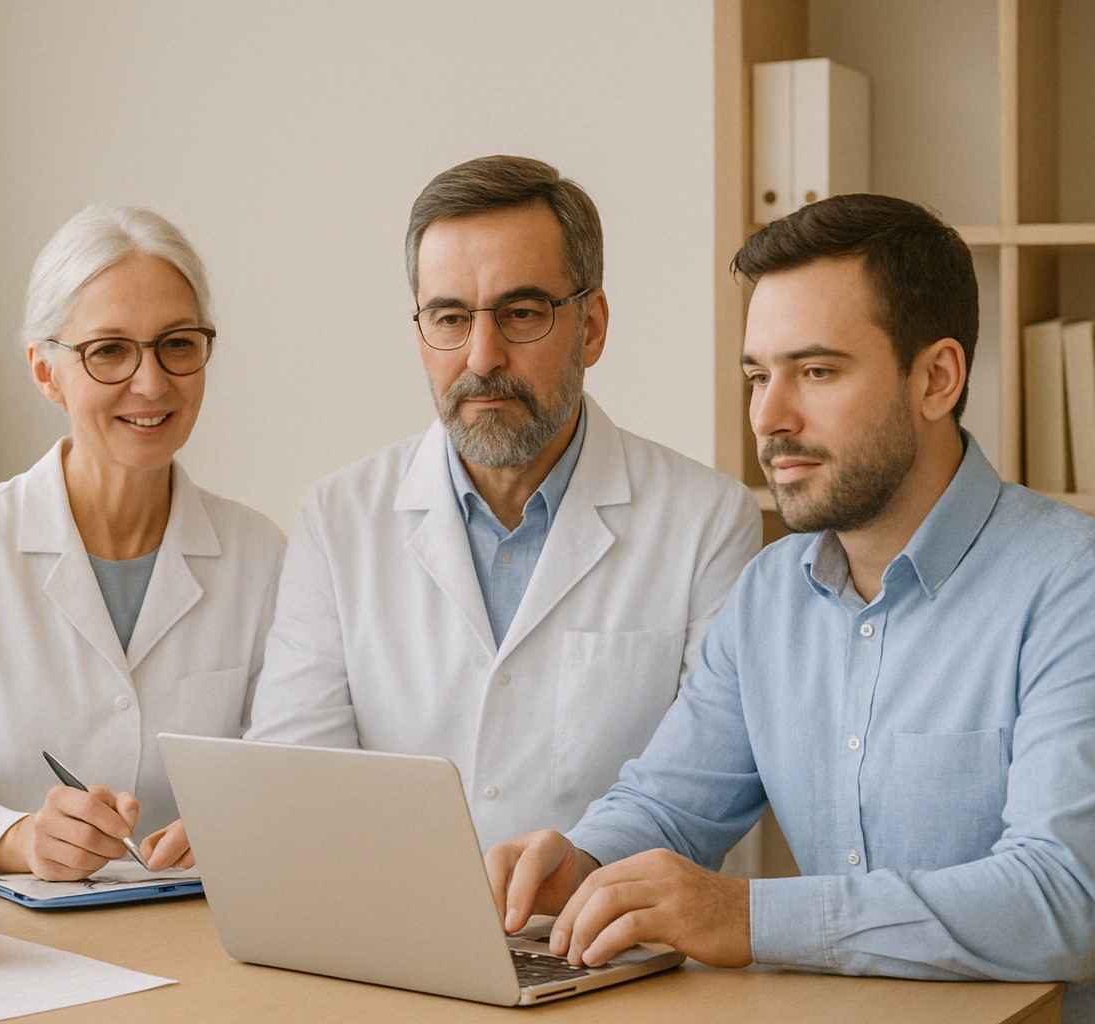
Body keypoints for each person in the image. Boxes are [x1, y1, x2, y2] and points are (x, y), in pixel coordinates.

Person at [486, 194, 1095, 1019]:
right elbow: (671, 806)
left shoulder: (1072, 585)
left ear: (937, 379)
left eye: (816, 372)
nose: (769, 419)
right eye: (757, 376)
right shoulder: (770, 593)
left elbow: (1064, 899)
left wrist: (745, 916)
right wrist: (585, 863)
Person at [143, 155, 760, 866]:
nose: (482, 357)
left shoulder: (706, 522)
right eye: (450, 318)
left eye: (522, 314)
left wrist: (580, 867)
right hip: (394, 924)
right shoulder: (340, 519)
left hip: (611, 926)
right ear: (420, 331)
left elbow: (697, 789)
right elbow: (301, 770)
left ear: (590, 327)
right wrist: (245, 819)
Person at [0, 204, 286, 881]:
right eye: (109, 351)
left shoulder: (259, 555)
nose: (151, 383)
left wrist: (236, 823)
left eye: (177, 344)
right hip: (7, 933)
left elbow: (287, 775)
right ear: (46, 372)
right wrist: (20, 840)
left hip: (197, 925)